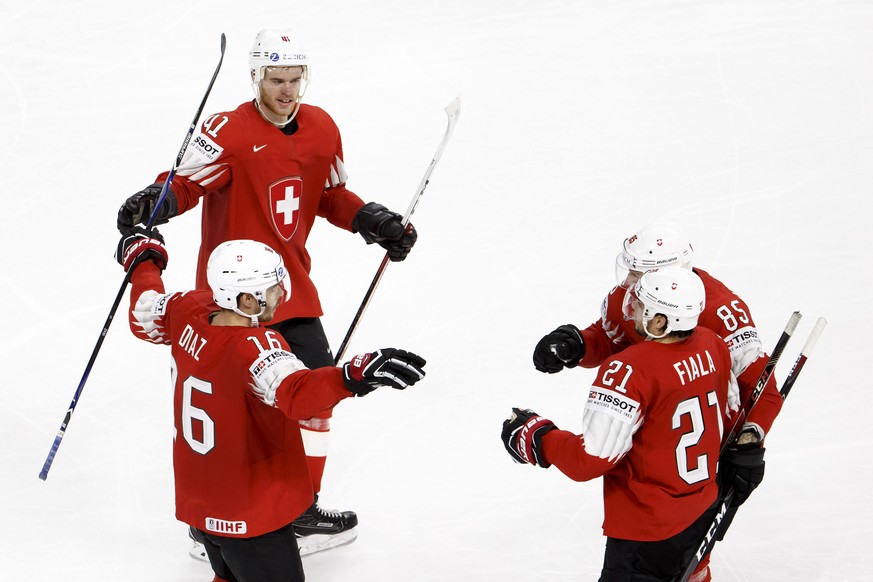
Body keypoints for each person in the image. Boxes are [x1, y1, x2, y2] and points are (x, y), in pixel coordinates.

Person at [116, 29, 418, 555]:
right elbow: (187, 183)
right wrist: (156, 201)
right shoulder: (228, 130)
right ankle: (211, 521)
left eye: (294, 79)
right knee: (231, 405)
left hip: (290, 289)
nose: (286, 90)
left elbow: (331, 194)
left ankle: (299, 510)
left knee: (314, 397)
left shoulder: (322, 128)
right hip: (232, 296)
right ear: (255, 77)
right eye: (276, 80)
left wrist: (370, 219)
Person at [117, 226, 426, 582]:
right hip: (251, 514)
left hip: (203, 505)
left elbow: (143, 310)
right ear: (246, 301)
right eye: (272, 287)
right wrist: (351, 377)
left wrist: (144, 260)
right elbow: (297, 394)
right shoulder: (256, 348)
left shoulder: (187, 310)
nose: (282, 292)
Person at [531, 223, 774, 581]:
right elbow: (616, 334)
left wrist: (749, 439)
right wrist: (580, 344)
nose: (628, 281)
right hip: (676, 459)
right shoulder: (643, 299)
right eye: (628, 269)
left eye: (638, 273)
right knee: (684, 560)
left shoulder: (721, 313)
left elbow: (761, 388)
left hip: (674, 473)